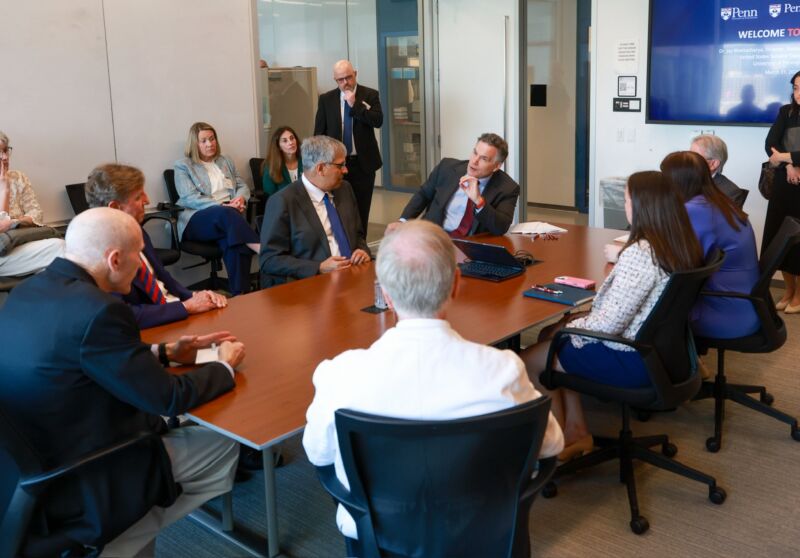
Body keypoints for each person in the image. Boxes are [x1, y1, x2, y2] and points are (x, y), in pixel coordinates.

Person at [303, 220, 564, 549]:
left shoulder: (340, 375)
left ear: (386, 295)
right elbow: (551, 444)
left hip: (379, 539)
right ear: (456, 284)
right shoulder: (503, 371)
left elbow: (319, 454)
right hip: (482, 535)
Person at [0, 207, 245, 556]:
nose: (143, 267)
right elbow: (169, 398)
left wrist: (164, 352)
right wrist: (223, 365)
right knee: (221, 445)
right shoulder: (100, 309)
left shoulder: (27, 291)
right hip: (90, 467)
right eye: (138, 256)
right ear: (114, 259)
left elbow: (78, 356)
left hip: (28, 464)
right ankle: (111, 540)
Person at [522, 171, 703, 461]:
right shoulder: (681, 243)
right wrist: (570, 323)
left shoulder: (642, 252)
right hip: (664, 354)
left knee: (529, 361)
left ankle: (556, 446)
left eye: (626, 199)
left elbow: (609, 324)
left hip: (631, 357)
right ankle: (577, 430)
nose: (624, 205)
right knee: (549, 335)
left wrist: (570, 323)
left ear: (642, 206)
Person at [85, 163, 227, 328]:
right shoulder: (98, 254)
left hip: (174, 310)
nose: (147, 200)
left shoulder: (136, 230)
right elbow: (122, 315)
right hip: (154, 325)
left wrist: (195, 296)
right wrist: (186, 307)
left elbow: (162, 278)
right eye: (138, 197)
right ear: (116, 207)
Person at [660, 151, 760, 337]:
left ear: (675, 181)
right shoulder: (719, 201)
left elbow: (681, 266)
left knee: (647, 314)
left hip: (725, 312)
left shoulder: (695, 210)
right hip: (743, 304)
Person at [259, 135, 371, 288]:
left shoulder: (344, 189)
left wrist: (362, 251)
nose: (345, 170)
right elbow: (269, 260)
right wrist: (318, 267)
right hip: (313, 286)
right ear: (320, 169)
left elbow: (358, 235)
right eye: (340, 165)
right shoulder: (283, 201)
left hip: (354, 278)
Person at [174, 122, 259, 295]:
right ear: (195, 144)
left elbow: (241, 185)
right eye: (204, 140)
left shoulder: (225, 160)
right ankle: (260, 247)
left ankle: (241, 295)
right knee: (226, 214)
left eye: (212, 139)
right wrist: (223, 206)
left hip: (228, 218)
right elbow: (190, 198)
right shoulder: (183, 166)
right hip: (197, 219)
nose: (210, 144)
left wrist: (240, 198)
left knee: (232, 242)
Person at [386, 133, 520, 237]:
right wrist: (402, 221)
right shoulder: (447, 167)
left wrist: (479, 201)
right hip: (433, 236)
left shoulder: (507, 188)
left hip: (470, 245)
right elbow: (423, 195)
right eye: (475, 153)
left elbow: (500, 228)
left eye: (484, 158)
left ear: (496, 166)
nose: (474, 161)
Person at [314, 59, 383, 229]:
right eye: (341, 79)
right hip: (335, 164)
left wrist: (355, 105)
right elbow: (319, 134)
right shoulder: (326, 99)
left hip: (363, 164)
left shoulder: (370, 95)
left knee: (361, 210)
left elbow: (378, 121)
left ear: (355, 74)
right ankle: (342, 243)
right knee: (338, 209)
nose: (345, 83)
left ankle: (361, 243)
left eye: (349, 77)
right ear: (335, 80)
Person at [0, 130, 64, 276]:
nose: (5, 157)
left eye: (6, 150)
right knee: (59, 249)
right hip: (2, 251)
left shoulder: (18, 177)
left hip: (20, 241)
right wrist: (4, 189)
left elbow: (36, 214)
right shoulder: (5, 183)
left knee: (52, 267)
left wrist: (13, 222)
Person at [763, 70, 800, 312]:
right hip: (784, 185)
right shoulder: (785, 112)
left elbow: (779, 153)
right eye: (795, 88)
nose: (798, 93)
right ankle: (788, 290)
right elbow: (770, 145)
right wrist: (790, 165)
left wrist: (787, 158)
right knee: (781, 237)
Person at [689, 134, 748, 209]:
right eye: (689, 155)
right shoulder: (682, 179)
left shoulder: (730, 193)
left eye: (695, 157)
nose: (687, 160)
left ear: (713, 164)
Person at [262, 126, 304, 196]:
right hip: (282, 202)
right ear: (279, 147)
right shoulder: (271, 167)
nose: (290, 142)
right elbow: (270, 195)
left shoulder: (306, 161)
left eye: (292, 138)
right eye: (285, 141)